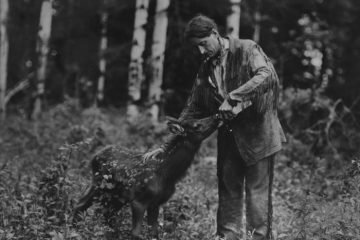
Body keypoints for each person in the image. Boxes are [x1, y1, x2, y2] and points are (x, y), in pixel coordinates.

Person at [144, 15, 286, 240]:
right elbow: (193, 107)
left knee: (257, 194)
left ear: (215, 34)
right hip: (229, 137)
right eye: (196, 47)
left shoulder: (247, 49)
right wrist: (166, 146)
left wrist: (235, 96)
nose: (201, 51)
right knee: (228, 192)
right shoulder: (206, 68)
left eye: (203, 44)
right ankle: (225, 237)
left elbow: (267, 76)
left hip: (260, 135)